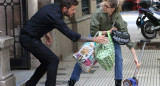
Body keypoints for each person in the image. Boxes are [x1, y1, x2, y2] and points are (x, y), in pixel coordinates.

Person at [19, 0, 108, 86]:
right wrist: (93, 39)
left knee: (46, 62)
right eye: (72, 9)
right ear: (65, 8)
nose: (74, 12)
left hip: (31, 37)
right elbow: (71, 34)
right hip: (28, 39)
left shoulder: (53, 8)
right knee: (53, 60)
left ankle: (30, 84)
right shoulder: (56, 17)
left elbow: (41, 19)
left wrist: (46, 33)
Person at [68, 0, 141, 86]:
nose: (103, 7)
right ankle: (72, 80)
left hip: (111, 38)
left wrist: (135, 57)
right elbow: (93, 31)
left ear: (113, 9)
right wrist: (108, 32)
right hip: (96, 36)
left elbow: (125, 35)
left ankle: (118, 82)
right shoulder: (98, 13)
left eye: (106, 6)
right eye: (103, 4)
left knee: (119, 58)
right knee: (83, 55)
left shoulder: (116, 15)